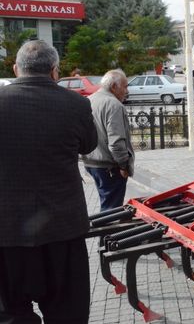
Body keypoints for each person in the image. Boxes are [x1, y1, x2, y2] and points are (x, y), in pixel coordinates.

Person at [0, 40, 98, 323]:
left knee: (10, 315)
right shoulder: (77, 105)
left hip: (6, 236)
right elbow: (88, 145)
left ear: (17, 69)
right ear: (55, 71)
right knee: (68, 313)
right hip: (62, 233)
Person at [82, 69, 135, 212]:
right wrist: (124, 166)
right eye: (124, 86)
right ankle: (107, 235)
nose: (126, 91)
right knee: (111, 210)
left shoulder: (89, 100)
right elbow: (116, 142)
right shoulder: (114, 105)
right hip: (110, 166)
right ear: (113, 87)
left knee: (106, 202)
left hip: (92, 163)